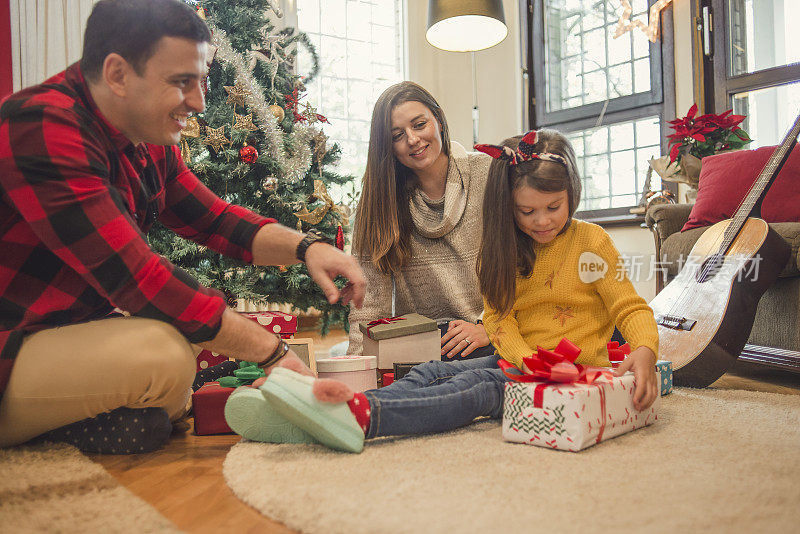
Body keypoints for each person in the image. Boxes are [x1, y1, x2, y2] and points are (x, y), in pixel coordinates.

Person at [0, 0, 364, 454]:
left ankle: (94, 420)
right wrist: (274, 354)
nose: (199, 102)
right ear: (117, 74)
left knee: (184, 345)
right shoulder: (42, 125)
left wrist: (308, 248)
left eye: (201, 81)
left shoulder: (145, 136)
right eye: (181, 82)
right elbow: (138, 279)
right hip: (12, 341)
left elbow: (216, 220)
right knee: (166, 355)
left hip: (62, 331)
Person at [233, 129, 660, 453]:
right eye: (527, 211)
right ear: (507, 207)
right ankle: (329, 407)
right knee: (429, 372)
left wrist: (644, 348)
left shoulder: (592, 242)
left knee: (475, 389)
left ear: (573, 195)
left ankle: (363, 416)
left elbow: (629, 306)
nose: (542, 221)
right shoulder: (505, 249)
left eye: (554, 207)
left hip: (573, 376)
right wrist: (524, 358)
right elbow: (498, 317)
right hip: (521, 361)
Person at [346, 81, 493, 361]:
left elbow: (521, 266)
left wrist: (491, 327)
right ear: (387, 146)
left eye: (419, 124)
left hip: (486, 335)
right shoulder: (379, 199)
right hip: (420, 345)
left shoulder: (486, 173)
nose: (412, 139)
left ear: (438, 119)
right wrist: (357, 370)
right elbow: (368, 306)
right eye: (397, 135)